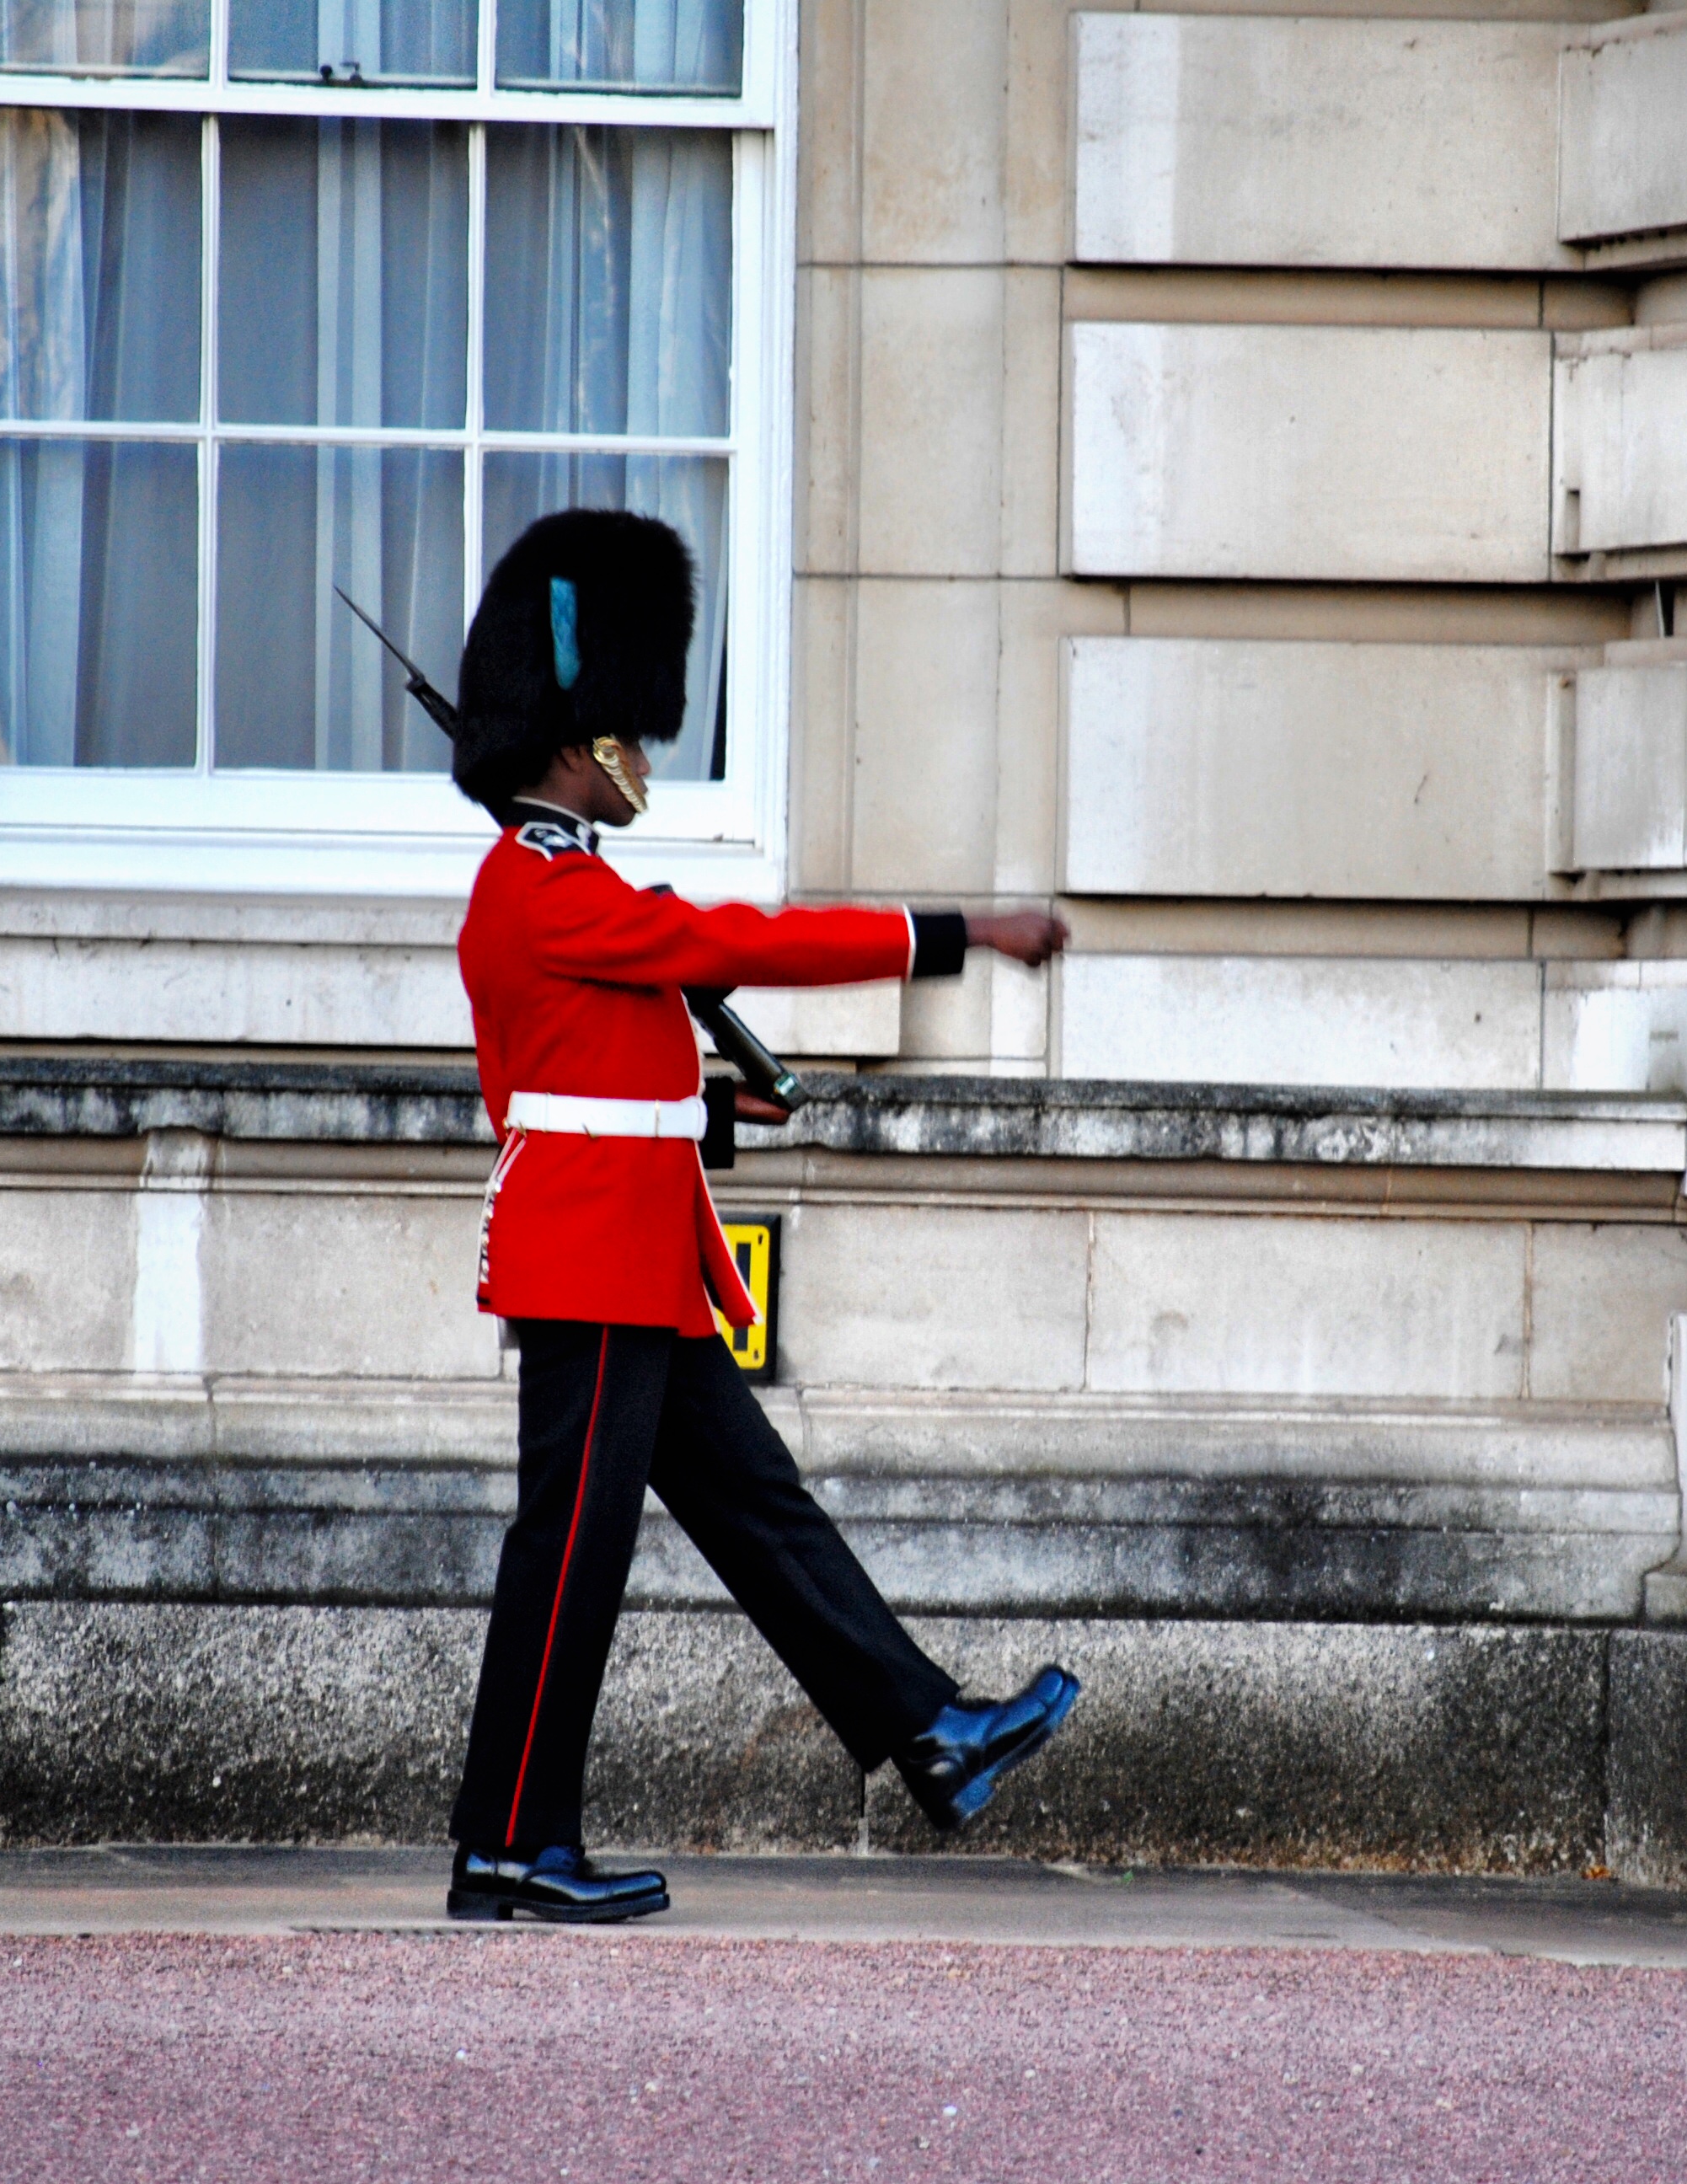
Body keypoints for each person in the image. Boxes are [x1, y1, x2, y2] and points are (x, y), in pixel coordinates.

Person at [437, 508, 1079, 1925]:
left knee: (760, 1516)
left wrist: (724, 1117)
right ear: (581, 737)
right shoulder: (547, 893)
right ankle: (508, 1848)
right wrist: (954, 933)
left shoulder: (559, 893)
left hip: (630, 1248)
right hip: (595, 1262)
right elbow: (741, 943)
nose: (646, 762)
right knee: (573, 1561)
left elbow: (579, 1078)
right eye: (633, 735)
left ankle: (929, 1732)